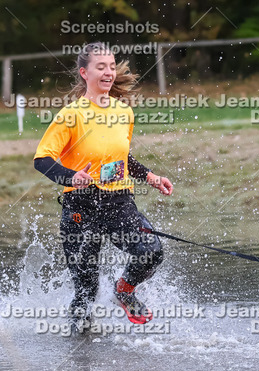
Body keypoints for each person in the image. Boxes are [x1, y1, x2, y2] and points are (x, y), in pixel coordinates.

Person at [33, 42, 173, 331]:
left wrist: (150, 177)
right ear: (85, 73)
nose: (109, 72)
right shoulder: (71, 114)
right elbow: (42, 160)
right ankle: (79, 350)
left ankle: (124, 290)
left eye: (111, 66)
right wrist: (71, 177)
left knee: (151, 251)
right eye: (101, 67)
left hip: (118, 202)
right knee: (86, 291)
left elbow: (121, 158)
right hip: (80, 208)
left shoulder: (124, 113)